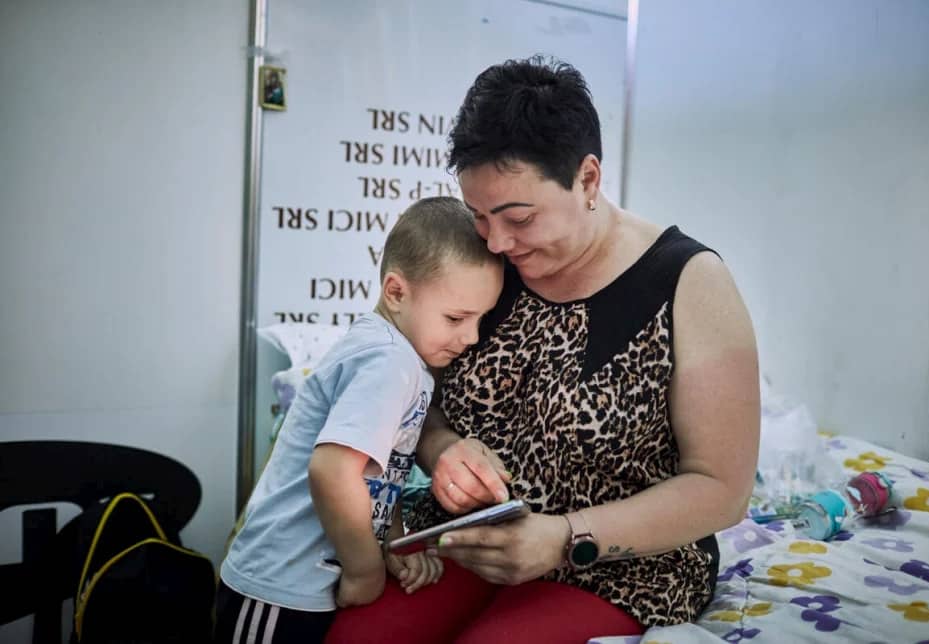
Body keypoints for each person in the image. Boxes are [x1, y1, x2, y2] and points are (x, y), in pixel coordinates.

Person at [326, 56, 760, 643]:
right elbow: (410, 392)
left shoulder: (689, 281)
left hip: (616, 567)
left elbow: (720, 487)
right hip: (469, 538)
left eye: (519, 218)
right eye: (480, 218)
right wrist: (445, 450)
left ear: (587, 179)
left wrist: (565, 536)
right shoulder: (483, 266)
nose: (498, 242)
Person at [216, 197, 504, 643]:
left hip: (302, 584)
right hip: (278, 586)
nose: (470, 337)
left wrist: (392, 545)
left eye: (480, 320)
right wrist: (365, 568)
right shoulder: (389, 363)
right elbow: (332, 472)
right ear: (395, 291)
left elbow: (377, 477)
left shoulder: (396, 356)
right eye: (456, 318)